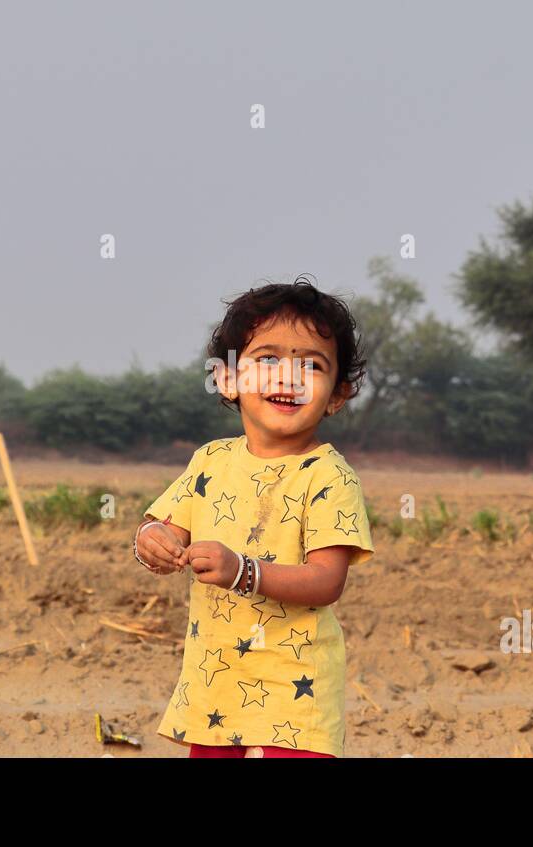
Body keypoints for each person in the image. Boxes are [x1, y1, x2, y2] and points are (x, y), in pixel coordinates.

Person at [136, 277, 374, 758]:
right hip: (217, 680)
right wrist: (151, 542)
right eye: (268, 359)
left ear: (338, 394)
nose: (288, 377)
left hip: (295, 688)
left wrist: (243, 572)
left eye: (310, 365)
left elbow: (328, 581)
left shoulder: (328, 475)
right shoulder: (211, 461)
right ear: (227, 379)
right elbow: (163, 528)